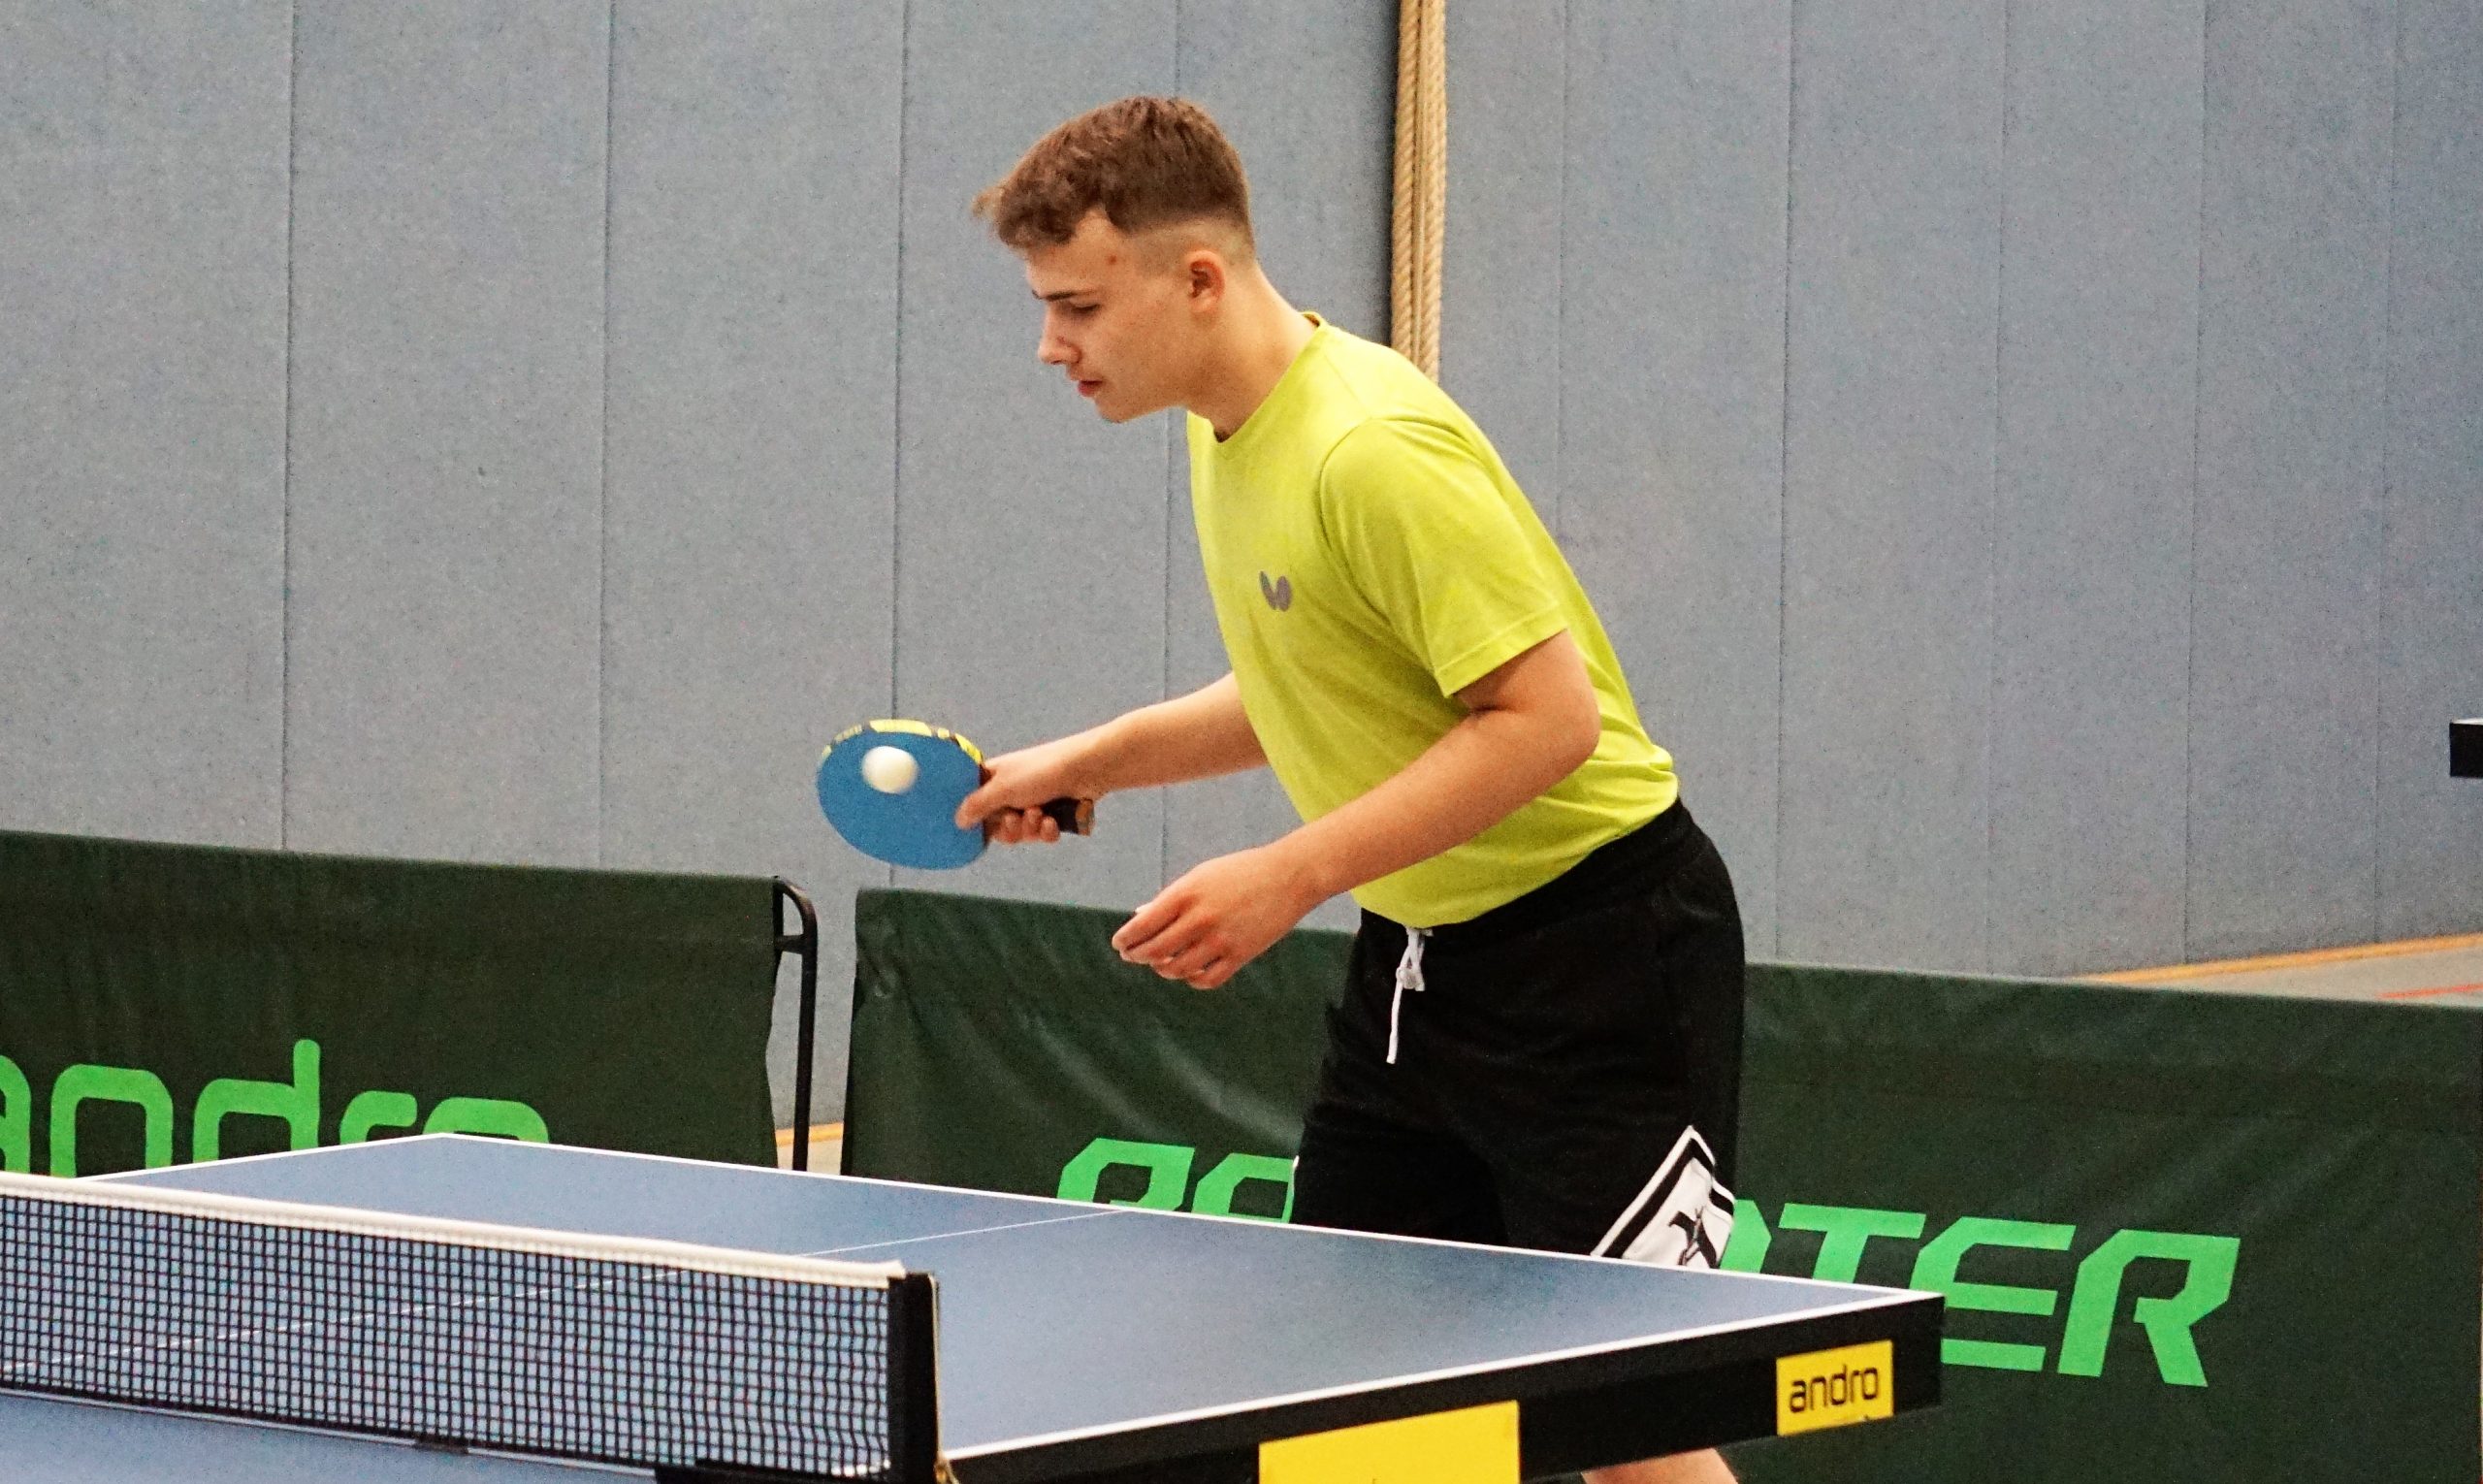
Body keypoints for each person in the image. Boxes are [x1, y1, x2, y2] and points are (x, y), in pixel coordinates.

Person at [956, 96, 1747, 1484]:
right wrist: (1088, 762)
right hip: (1420, 971)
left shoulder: (1368, 449)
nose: (1051, 345)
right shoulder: (1225, 428)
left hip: (1601, 960)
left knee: (1631, 1434)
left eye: (1078, 306)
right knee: (1356, 1395)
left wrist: (1292, 871)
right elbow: (1312, 675)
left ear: (1199, 279)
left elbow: (1547, 722)